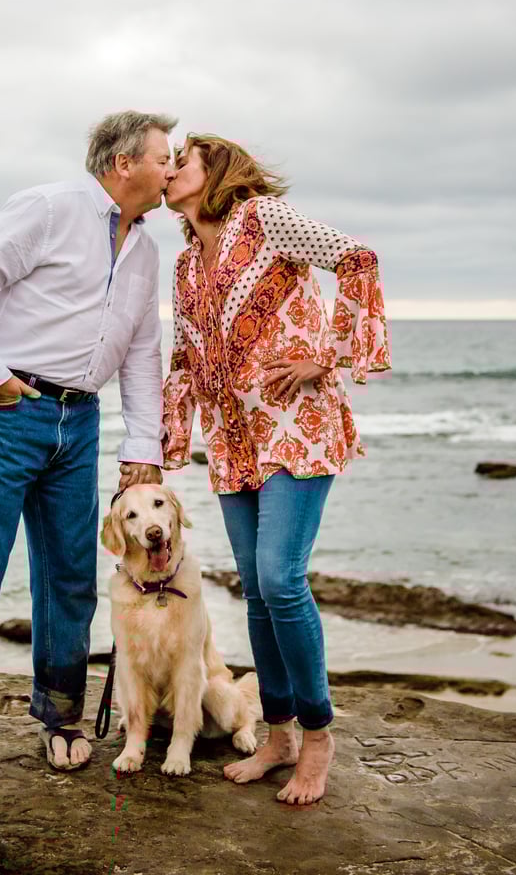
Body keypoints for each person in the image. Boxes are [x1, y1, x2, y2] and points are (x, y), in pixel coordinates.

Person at [0, 110, 177, 779]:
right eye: (164, 157)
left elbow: (142, 350)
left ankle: (61, 714)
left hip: (81, 420)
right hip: (9, 409)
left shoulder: (147, 249)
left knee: (70, 574)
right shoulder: (50, 207)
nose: (172, 169)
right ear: (124, 163)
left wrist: (142, 446)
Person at [161, 134, 390, 806]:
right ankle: (280, 736)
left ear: (216, 171)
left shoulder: (263, 218)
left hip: (298, 429)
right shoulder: (184, 264)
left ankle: (318, 737)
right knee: (257, 593)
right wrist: (164, 443)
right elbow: (185, 358)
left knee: (280, 581)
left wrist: (330, 354)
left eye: (182, 160)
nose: (169, 170)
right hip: (232, 442)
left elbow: (356, 258)